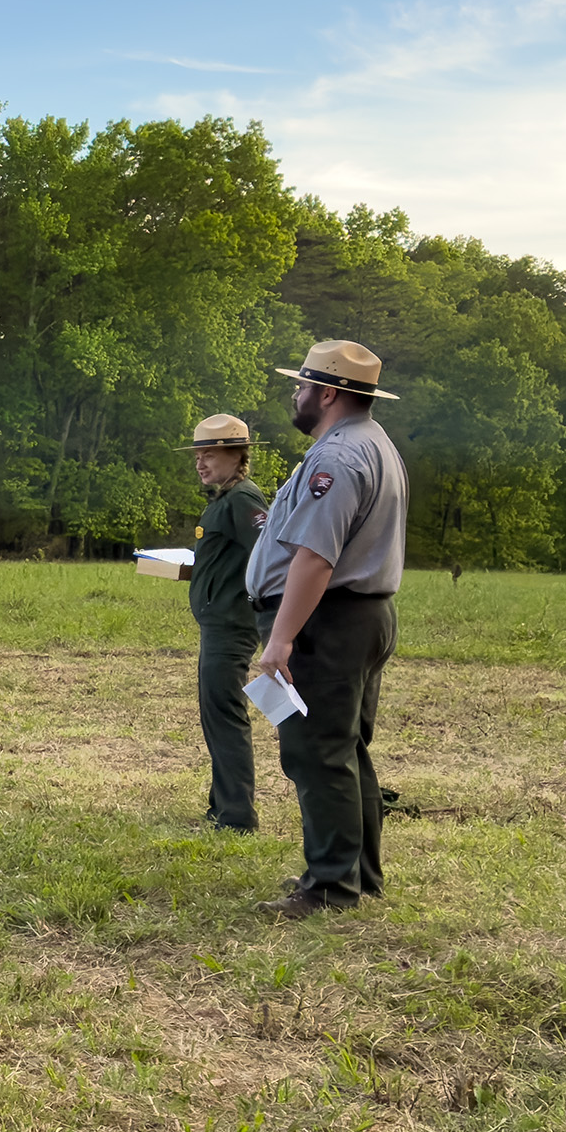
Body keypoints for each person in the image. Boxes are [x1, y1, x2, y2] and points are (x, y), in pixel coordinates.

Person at [246, 340, 412, 919]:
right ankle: (355, 876)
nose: (296, 394)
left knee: (317, 753)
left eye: (302, 385)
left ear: (329, 393)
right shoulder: (372, 445)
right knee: (345, 750)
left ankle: (328, 890)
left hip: (328, 621)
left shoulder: (337, 458)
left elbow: (316, 557)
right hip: (355, 617)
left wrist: (282, 637)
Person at [183, 414, 265, 834]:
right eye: (198, 455)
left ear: (237, 455)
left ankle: (236, 816)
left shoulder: (242, 500)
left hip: (231, 625)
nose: (200, 463)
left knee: (225, 714)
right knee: (214, 714)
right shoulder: (222, 498)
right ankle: (222, 806)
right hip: (217, 622)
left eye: (210, 455)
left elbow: (270, 553)